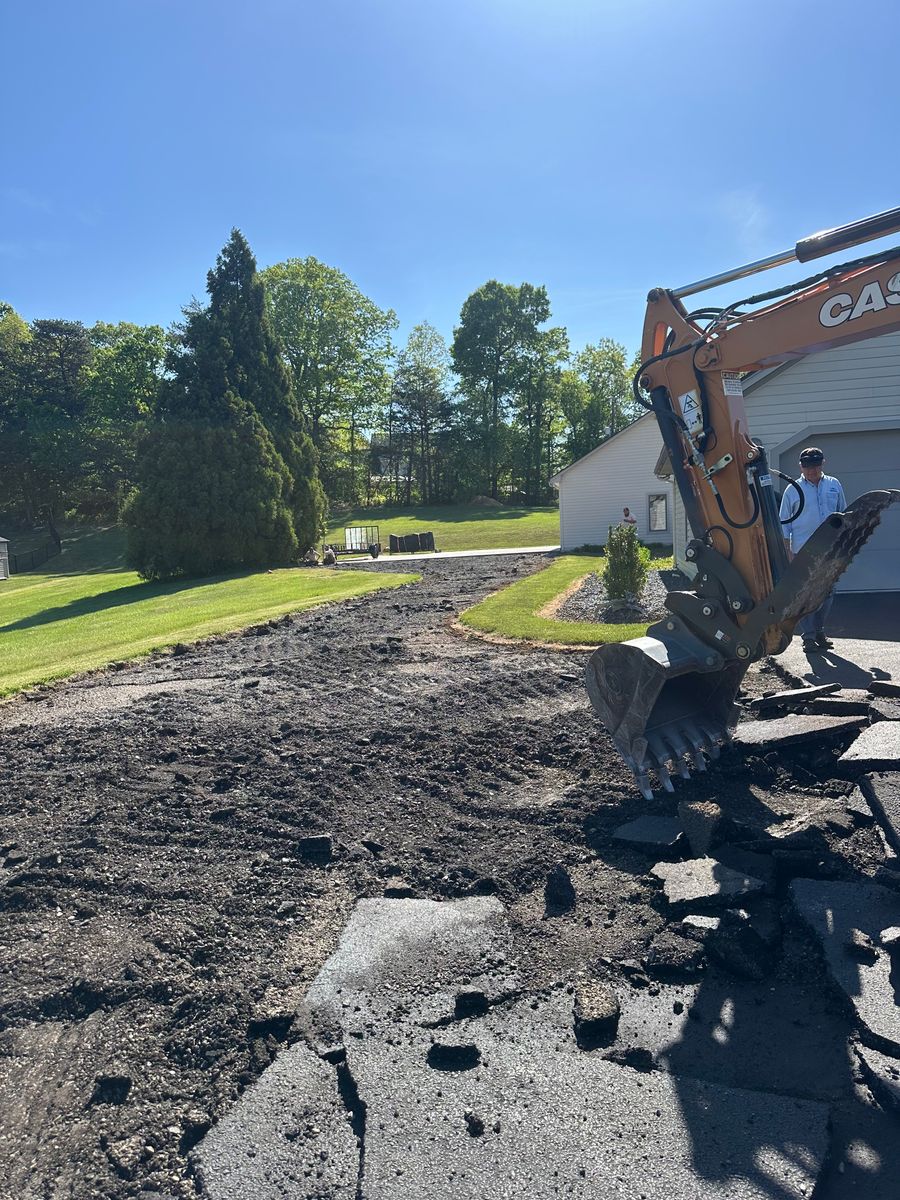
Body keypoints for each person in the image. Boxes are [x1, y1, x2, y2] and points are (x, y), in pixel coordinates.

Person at [779, 446, 846, 652]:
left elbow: (843, 515)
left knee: (828, 592)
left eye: (815, 466)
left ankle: (818, 630)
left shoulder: (834, 485)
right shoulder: (792, 490)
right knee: (805, 594)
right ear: (800, 467)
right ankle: (808, 637)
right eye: (807, 467)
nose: (812, 471)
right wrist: (787, 551)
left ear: (822, 464)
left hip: (831, 548)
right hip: (803, 550)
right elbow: (784, 523)